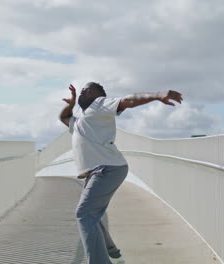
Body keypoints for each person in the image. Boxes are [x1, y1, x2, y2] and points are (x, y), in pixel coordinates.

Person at [59, 82, 183, 264]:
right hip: (96, 172)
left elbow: (128, 100)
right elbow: (64, 118)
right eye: (81, 90)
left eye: (87, 90)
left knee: (84, 213)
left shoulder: (100, 104)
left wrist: (157, 94)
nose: (82, 92)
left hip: (107, 169)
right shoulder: (82, 120)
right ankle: (114, 254)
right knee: (92, 215)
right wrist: (70, 104)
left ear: (96, 94)